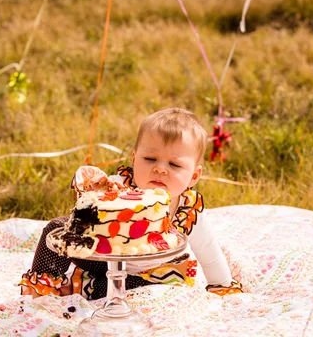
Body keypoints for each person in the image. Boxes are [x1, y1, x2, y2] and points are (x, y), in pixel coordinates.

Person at [20, 108, 243, 299]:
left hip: (148, 272)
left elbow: (209, 252)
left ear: (194, 176)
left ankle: (80, 287)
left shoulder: (188, 210)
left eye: (174, 165)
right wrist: (97, 188)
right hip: (106, 257)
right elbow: (87, 199)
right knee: (58, 228)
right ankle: (45, 285)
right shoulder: (120, 187)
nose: (160, 169)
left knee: (140, 291)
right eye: (150, 159)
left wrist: (222, 285)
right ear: (134, 159)